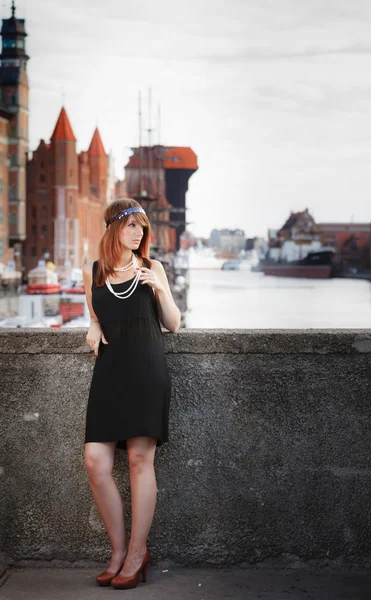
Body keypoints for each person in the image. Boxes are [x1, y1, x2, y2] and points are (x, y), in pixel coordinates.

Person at [82, 197, 180, 589]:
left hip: (146, 370)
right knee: (95, 461)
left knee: (141, 460)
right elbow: (95, 313)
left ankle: (138, 554)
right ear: (113, 229)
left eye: (142, 227)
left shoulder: (152, 267)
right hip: (109, 372)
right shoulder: (94, 272)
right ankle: (119, 550)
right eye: (131, 226)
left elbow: (173, 324)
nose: (138, 233)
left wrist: (161, 290)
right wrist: (91, 324)